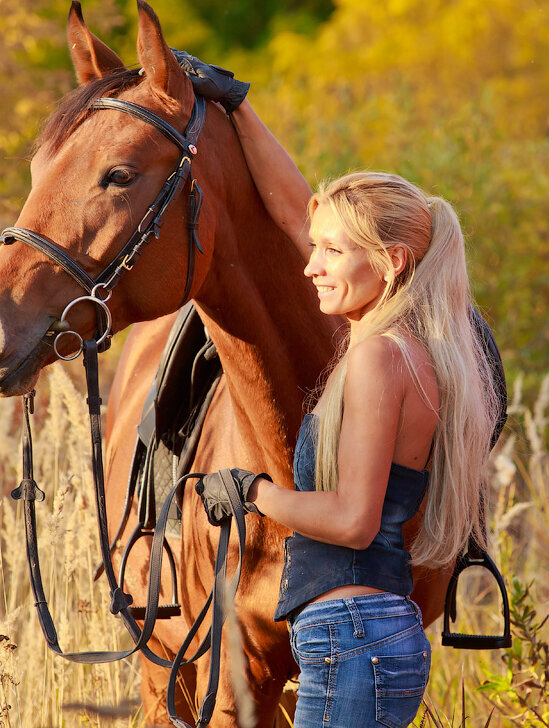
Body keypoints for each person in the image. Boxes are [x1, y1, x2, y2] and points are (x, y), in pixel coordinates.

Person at [181, 53, 501, 728]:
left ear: (391, 263)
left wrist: (252, 493)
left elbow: (355, 520)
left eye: (331, 252)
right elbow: (298, 215)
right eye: (316, 246)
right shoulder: (411, 346)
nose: (310, 264)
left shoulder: (379, 359)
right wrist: (239, 106)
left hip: (355, 636)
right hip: (362, 635)